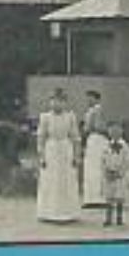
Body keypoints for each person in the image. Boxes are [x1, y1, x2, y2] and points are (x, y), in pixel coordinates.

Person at [35, 88, 81, 224]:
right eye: (54, 101)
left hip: (66, 150)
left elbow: (76, 137)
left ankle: (68, 212)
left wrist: (77, 156)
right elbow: (41, 138)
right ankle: (49, 212)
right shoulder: (45, 117)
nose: (57, 104)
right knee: (51, 181)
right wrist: (42, 156)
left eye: (60, 101)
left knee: (66, 180)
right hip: (51, 150)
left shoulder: (70, 117)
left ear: (65, 103)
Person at [100, 122, 129, 227]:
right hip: (108, 174)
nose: (114, 133)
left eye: (117, 130)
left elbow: (127, 161)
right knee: (109, 196)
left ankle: (119, 217)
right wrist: (106, 171)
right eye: (111, 131)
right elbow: (102, 160)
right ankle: (108, 218)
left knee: (119, 196)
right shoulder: (105, 145)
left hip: (120, 176)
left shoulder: (125, 146)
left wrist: (120, 173)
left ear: (121, 132)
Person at [80, 89, 108, 208]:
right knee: (91, 169)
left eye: (90, 98)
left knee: (97, 168)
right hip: (92, 140)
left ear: (96, 99)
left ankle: (99, 198)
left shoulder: (97, 110)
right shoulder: (91, 111)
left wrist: (85, 129)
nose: (88, 100)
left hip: (97, 140)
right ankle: (91, 197)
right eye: (87, 98)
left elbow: (95, 127)